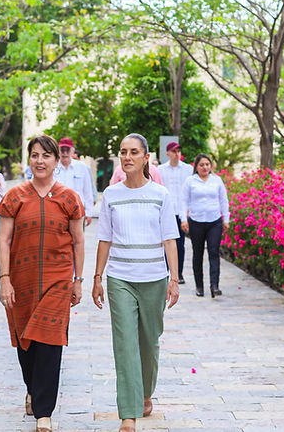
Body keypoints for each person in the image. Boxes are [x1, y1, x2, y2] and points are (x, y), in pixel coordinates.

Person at [0, 135, 86, 432]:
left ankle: (44, 413)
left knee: (50, 342)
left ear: (56, 160)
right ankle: (33, 390)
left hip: (58, 280)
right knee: (26, 343)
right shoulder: (14, 196)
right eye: (34, 155)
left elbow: (78, 240)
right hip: (20, 282)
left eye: (45, 155)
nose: (39, 161)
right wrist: (4, 280)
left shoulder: (70, 198)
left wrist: (78, 280)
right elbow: (4, 240)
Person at [93, 133, 180, 432]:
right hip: (120, 278)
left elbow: (170, 240)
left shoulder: (161, 195)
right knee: (125, 343)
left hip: (154, 278)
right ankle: (128, 414)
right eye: (123, 152)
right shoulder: (111, 195)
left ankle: (144, 391)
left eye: (134, 152)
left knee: (149, 341)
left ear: (146, 158)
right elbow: (104, 239)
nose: (127, 157)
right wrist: (97, 278)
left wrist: (175, 280)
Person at [180, 153, 230, 298]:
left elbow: (223, 201)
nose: (204, 167)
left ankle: (214, 286)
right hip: (196, 222)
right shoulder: (190, 181)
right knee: (198, 254)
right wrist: (184, 219)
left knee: (214, 253)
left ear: (211, 166)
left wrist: (225, 219)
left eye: (207, 164)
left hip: (214, 222)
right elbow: (183, 201)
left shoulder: (217, 180)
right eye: (201, 165)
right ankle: (199, 286)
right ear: (196, 166)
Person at [157, 141, 193, 285]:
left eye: (178, 151)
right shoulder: (160, 170)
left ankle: (179, 272)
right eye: (174, 151)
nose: (177, 154)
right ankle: (166, 270)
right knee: (166, 242)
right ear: (168, 154)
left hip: (181, 212)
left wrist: (188, 212)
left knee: (180, 244)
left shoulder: (188, 169)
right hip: (166, 212)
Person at [53, 137, 96, 226]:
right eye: (62, 150)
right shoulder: (53, 167)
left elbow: (87, 191)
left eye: (67, 150)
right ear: (58, 151)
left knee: (77, 239)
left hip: (78, 212)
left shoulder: (82, 167)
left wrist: (89, 213)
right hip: (57, 212)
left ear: (73, 151)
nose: (65, 153)